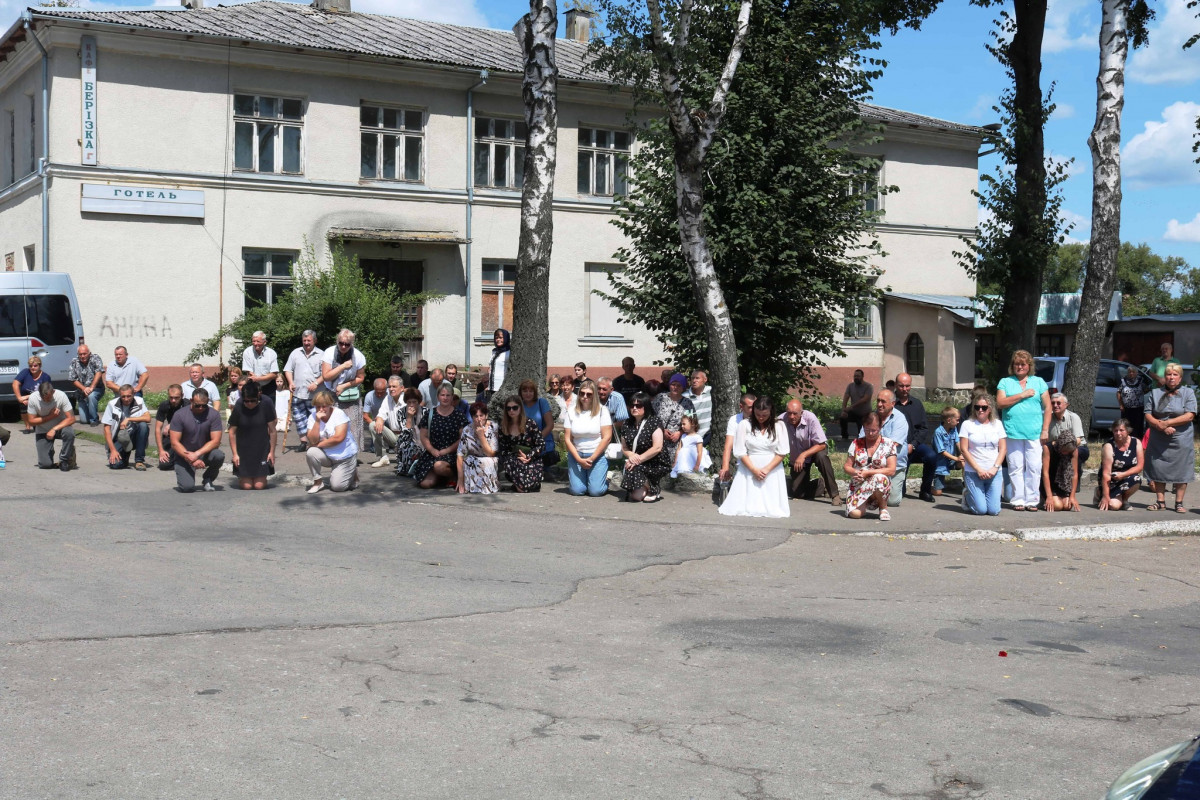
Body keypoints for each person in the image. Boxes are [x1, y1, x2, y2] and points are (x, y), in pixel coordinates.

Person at [996, 349, 1051, 512]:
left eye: (1023, 364)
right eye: (1016, 364)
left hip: (1034, 431)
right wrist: (1022, 395)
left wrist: (1045, 429)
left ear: (1029, 366)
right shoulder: (1005, 382)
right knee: (1015, 466)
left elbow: (1048, 407)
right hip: (1013, 431)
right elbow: (1000, 403)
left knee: (1034, 466)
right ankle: (1018, 499)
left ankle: (1032, 500)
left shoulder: (1039, 382)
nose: (1019, 367)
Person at [719, 396, 790, 518]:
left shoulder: (779, 425)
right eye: (758, 414)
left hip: (772, 467)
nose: (761, 418)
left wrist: (766, 469)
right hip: (749, 466)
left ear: (771, 412)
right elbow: (740, 451)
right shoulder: (744, 424)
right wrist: (754, 470)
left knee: (772, 508)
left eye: (765, 415)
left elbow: (782, 452)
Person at [1143, 362, 1196, 512]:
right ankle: (1160, 501)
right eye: (1168, 374)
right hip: (1159, 437)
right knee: (1159, 468)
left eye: (1175, 375)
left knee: (1182, 469)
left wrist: (1166, 423)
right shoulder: (1155, 393)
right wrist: (1158, 425)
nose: (1171, 377)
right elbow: (1147, 413)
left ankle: (1179, 503)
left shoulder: (1188, 393)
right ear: (1164, 377)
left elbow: (1190, 415)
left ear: (1180, 378)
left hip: (1181, 438)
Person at [780, 397, 840, 505]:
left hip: (815, 450)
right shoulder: (781, 420)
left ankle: (835, 494)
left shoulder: (810, 418)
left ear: (801, 413)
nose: (791, 417)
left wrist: (804, 455)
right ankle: (820, 485)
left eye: (795, 413)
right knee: (798, 493)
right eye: (789, 413)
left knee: (822, 457)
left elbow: (821, 444)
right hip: (798, 459)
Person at [842, 411, 898, 521]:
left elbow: (891, 470)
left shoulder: (888, 444)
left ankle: (883, 508)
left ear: (880, 427)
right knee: (855, 514)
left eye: (873, 430)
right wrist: (855, 472)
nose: (870, 433)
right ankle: (861, 503)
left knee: (879, 478)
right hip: (859, 484)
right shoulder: (856, 443)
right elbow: (847, 466)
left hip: (879, 483)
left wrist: (869, 473)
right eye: (867, 430)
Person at [169, 387, 225, 492]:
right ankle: (185, 472)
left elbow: (216, 441)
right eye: (197, 405)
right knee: (187, 487)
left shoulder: (214, 415)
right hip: (184, 455)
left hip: (203, 453)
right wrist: (190, 457)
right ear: (191, 401)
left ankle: (208, 478)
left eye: (203, 405)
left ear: (208, 402)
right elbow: (174, 443)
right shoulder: (179, 415)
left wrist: (197, 454)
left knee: (218, 455)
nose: (200, 408)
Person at [564, 378, 614, 497]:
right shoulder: (571, 411)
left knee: (595, 491)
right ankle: (586, 479)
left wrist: (591, 458)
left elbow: (607, 437)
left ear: (594, 395)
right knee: (578, 491)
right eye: (582, 393)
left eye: (589, 394)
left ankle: (606, 480)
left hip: (597, 455)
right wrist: (579, 459)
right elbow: (567, 439)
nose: (585, 396)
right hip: (577, 455)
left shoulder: (602, 411)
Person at [305, 389, 359, 494]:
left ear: (330, 404)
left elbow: (339, 438)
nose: (321, 409)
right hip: (328, 454)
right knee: (311, 452)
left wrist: (318, 444)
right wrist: (317, 421)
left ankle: (353, 473)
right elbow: (311, 439)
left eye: (324, 406)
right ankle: (318, 482)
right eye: (318, 406)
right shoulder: (313, 416)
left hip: (344, 456)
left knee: (338, 487)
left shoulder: (339, 414)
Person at [960, 393, 1006, 516]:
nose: (980, 410)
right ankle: (967, 496)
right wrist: (978, 469)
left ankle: (981, 496)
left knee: (994, 511)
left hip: (994, 472)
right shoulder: (967, 424)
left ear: (990, 409)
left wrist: (995, 467)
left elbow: (1003, 449)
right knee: (980, 510)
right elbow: (964, 450)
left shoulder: (997, 424)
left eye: (984, 407)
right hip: (974, 472)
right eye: (977, 407)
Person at [894, 373, 938, 502]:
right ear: (896, 385)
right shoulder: (891, 404)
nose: (905, 389)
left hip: (914, 445)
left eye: (907, 386)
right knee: (898, 495)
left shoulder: (917, 404)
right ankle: (900, 489)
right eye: (901, 386)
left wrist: (913, 444)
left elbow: (924, 428)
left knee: (931, 456)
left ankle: (925, 491)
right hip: (897, 449)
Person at [414, 384, 468, 489]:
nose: (445, 398)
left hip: (452, 454)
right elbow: (423, 436)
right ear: (438, 396)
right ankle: (441, 478)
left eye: (448, 395)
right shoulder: (430, 414)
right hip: (433, 453)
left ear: (452, 397)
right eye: (442, 395)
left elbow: (463, 439)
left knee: (439, 466)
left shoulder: (459, 415)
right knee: (425, 484)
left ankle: (452, 476)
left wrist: (447, 450)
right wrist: (432, 450)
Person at [321, 328, 367, 452]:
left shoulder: (358, 356)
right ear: (337, 341)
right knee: (332, 424)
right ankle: (333, 451)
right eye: (341, 343)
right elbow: (326, 376)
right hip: (331, 393)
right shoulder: (329, 353)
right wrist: (343, 366)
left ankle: (352, 453)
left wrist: (344, 386)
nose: (343, 346)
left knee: (352, 426)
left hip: (350, 395)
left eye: (347, 344)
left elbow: (360, 378)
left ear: (351, 343)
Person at [620, 391, 670, 502]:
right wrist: (631, 455)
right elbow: (624, 448)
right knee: (637, 497)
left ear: (646, 407)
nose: (634, 408)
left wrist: (636, 460)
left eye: (638, 405)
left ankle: (654, 488)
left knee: (635, 467)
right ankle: (647, 487)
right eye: (632, 405)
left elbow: (657, 447)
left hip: (654, 461)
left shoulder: (654, 422)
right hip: (636, 461)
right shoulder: (626, 424)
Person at [228, 380, 276, 490]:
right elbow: (231, 432)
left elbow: (273, 431)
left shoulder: (266, 404)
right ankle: (244, 477)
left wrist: (271, 452)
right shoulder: (239, 405)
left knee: (259, 486)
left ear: (258, 397)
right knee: (247, 486)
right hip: (243, 449)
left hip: (261, 448)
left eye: (252, 401)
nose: (249, 403)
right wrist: (235, 454)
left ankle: (260, 476)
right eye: (246, 401)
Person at [284, 330, 324, 448]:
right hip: (298, 393)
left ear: (315, 341)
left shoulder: (322, 355)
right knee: (299, 418)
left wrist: (316, 383)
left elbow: (326, 373)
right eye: (304, 340)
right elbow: (288, 370)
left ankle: (316, 442)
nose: (306, 343)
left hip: (315, 395)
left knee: (316, 419)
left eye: (309, 340)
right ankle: (303, 442)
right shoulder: (295, 353)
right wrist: (290, 382)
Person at [498, 393, 545, 493]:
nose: (511, 411)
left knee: (529, 480)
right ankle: (522, 486)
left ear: (520, 408)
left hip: (531, 457)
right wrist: (516, 457)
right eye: (508, 408)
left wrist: (528, 456)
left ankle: (526, 485)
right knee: (512, 463)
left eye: (515, 408)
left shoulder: (530, 424)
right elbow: (503, 449)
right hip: (513, 460)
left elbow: (541, 445)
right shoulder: (503, 427)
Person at [27, 381, 76, 471]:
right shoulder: (33, 398)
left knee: (69, 432)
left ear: (53, 392)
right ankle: (49, 451)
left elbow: (72, 419)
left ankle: (64, 459)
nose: (46, 400)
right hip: (43, 430)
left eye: (49, 398)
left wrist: (54, 429)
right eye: (44, 398)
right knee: (45, 465)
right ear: (39, 394)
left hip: (60, 428)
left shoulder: (61, 396)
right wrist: (51, 416)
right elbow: (31, 421)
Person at [1097, 418, 1144, 511]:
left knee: (1137, 479)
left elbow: (1140, 466)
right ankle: (1100, 494)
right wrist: (1106, 496)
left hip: (1127, 477)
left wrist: (1123, 475)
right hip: (1111, 480)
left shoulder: (1136, 442)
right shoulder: (1109, 446)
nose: (1118, 433)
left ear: (1128, 431)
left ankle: (1124, 500)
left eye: (1121, 430)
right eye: (1115, 430)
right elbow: (1106, 474)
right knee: (1114, 506)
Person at [102, 384, 151, 470]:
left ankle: (139, 460)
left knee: (143, 425)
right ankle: (124, 457)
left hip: (133, 435)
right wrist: (113, 450)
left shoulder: (139, 401)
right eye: (123, 396)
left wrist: (128, 419)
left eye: (129, 396)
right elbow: (106, 429)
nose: (126, 399)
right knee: (115, 465)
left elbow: (148, 418)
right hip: (118, 438)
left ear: (133, 394)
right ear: (119, 395)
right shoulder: (112, 404)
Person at [652, 373, 695, 466]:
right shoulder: (660, 398)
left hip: (677, 444)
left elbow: (691, 423)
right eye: (673, 384)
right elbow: (650, 417)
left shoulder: (687, 403)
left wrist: (680, 433)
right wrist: (661, 431)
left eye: (679, 385)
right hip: (658, 441)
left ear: (683, 387)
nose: (675, 387)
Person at [456, 401, 499, 494]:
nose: (479, 419)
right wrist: (460, 479)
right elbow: (460, 454)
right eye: (476, 416)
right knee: (468, 460)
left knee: (487, 462)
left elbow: (491, 453)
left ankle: (487, 486)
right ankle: (470, 486)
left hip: (489, 459)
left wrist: (481, 436)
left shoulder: (493, 427)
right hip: (474, 460)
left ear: (486, 415)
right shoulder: (467, 430)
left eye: (481, 416)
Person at [876, 389, 909, 507]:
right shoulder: (871, 417)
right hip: (873, 465)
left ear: (893, 404)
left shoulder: (900, 419)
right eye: (878, 401)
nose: (879, 404)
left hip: (895, 467)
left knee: (892, 502)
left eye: (883, 401)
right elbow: (861, 440)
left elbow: (892, 446)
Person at [1047, 393, 1090, 480]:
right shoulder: (1047, 418)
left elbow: (1077, 440)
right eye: (1053, 403)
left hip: (1075, 446)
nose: (1055, 405)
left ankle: (1074, 484)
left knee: (1074, 454)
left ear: (1066, 405)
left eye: (1058, 403)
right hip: (1055, 447)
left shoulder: (1073, 417)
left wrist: (1063, 446)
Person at [364, 377, 403, 467]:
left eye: (394, 386)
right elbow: (381, 414)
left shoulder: (406, 400)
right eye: (390, 387)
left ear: (402, 388)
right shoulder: (388, 398)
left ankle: (405, 454)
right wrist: (379, 420)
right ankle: (383, 457)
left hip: (408, 437)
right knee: (373, 425)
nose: (391, 389)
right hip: (393, 434)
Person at [718, 393, 757, 482]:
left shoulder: (761, 419)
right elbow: (728, 446)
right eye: (750, 407)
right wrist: (725, 468)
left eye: (755, 406)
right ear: (741, 406)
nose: (754, 410)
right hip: (742, 462)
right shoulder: (734, 420)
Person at [518, 379, 557, 466]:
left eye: (531, 391)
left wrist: (537, 440)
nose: (528, 394)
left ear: (534, 392)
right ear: (520, 392)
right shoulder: (518, 405)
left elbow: (550, 425)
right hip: (525, 446)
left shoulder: (542, 402)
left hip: (543, 444)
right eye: (525, 391)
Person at [1042, 429, 1080, 512]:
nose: (1065, 453)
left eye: (1068, 452)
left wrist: (1072, 496)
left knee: (1067, 506)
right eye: (1064, 451)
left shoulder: (1074, 450)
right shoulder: (1048, 448)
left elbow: (1074, 474)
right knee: (1057, 506)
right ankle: (1042, 498)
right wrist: (1049, 496)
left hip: (1063, 482)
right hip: (1050, 481)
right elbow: (1045, 473)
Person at [391, 386, 425, 477]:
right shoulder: (401, 412)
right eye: (409, 402)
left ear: (418, 402)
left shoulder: (426, 412)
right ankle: (407, 468)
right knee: (408, 445)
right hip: (407, 439)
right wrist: (409, 417)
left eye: (414, 402)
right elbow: (405, 434)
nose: (411, 405)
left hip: (423, 439)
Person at [13, 355, 52, 433]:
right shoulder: (25, 372)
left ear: (40, 366)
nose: (33, 368)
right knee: (23, 406)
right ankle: (27, 426)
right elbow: (15, 383)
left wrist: (29, 398)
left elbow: (46, 392)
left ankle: (37, 423)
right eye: (31, 366)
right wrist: (19, 398)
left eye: (35, 366)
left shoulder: (45, 377)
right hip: (25, 399)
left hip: (40, 398)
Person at [68, 344, 105, 426]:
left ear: (89, 353)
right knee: (84, 421)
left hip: (96, 389)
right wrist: (84, 388)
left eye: (84, 354)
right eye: (80, 354)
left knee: (91, 396)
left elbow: (99, 372)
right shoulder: (74, 361)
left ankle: (94, 420)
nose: (82, 356)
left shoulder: (95, 358)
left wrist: (91, 387)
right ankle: (91, 411)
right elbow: (72, 379)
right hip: (81, 393)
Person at [931, 407, 963, 496]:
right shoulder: (938, 432)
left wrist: (963, 454)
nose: (958, 422)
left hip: (951, 461)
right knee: (938, 492)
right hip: (940, 464)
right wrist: (956, 458)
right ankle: (928, 487)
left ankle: (967, 486)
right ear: (949, 420)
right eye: (957, 420)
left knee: (963, 461)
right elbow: (942, 451)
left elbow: (957, 442)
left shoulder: (954, 429)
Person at [154, 385, 186, 471]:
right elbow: (158, 429)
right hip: (172, 436)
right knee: (164, 465)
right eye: (171, 397)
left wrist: (172, 424)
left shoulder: (188, 405)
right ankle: (178, 460)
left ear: (182, 396)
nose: (173, 400)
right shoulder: (164, 405)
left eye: (176, 398)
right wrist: (161, 450)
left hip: (187, 436)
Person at [241, 330, 279, 402]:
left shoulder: (271, 353)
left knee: (268, 410)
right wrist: (255, 379)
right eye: (253, 341)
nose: (255, 343)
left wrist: (258, 378)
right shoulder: (247, 352)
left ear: (264, 342)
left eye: (258, 341)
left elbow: (274, 374)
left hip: (269, 386)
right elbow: (248, 371)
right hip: (253, 385)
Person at [839, 369, 873, 439]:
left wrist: (851, 407)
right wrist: (843, 410)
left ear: (862, 376)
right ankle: (844, 436)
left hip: (865, 413)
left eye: (858, 376)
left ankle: (861, 439)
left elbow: (865, 400)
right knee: (843, 418)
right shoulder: (850, 386)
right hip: (854, 412)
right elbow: (846, 398)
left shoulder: (868, 386)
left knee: (861, 434)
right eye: (855, 376)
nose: (856, 378)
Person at [362, 378, 390, 460]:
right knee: (374, 425)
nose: (379, 395)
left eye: (382, 392)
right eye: (377, 392)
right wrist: (374, 424)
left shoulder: (390, 394)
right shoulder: (369, 396)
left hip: (389, 420)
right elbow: (365, 415)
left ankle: (391, 445)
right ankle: (377, 448)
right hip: (376, 420)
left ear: (386, 389)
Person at [1117, 365, 1146, 441]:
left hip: (1138, 408)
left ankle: (1137, 441)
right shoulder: (1123, 380)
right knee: (1126, 425)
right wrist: (1121, 404)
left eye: (1133, 372)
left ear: (1136, 373)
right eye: (1130, 372)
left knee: (1137, 426)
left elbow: (1146, 390)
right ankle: (1126, 440)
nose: (1131, 373)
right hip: (1126, 409)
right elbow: (1118, 392)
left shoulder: (1141, 380)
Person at [683, 370, 713, 444]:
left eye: (697, 378)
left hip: (709, 435)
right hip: (693, 436)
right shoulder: (685, 396)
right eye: (692, 378)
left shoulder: (712, 391)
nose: (694, 381)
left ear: (705, 380)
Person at [486, 328, 510, 399]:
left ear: (505, 338)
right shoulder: (494, 352)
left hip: (501, 387)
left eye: (500, 337)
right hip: (491, 387)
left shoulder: (509, 353)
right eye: (496, 338)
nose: (498, 340)